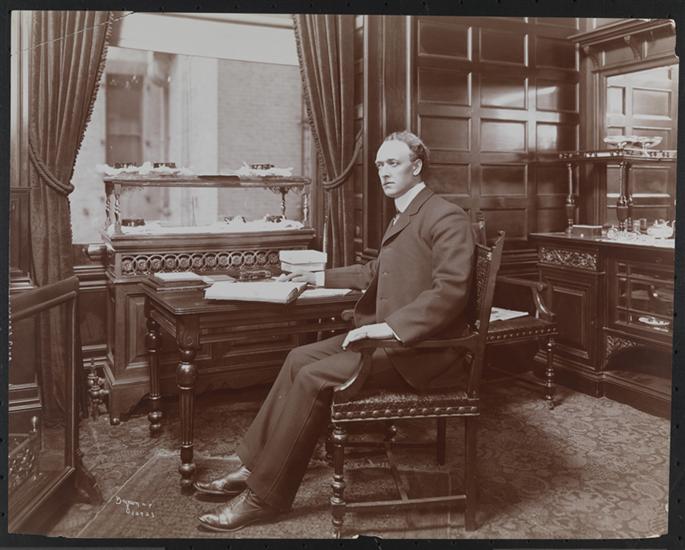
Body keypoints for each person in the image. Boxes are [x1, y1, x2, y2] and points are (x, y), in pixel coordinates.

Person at [196, 130, 475, 532]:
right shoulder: (405, 212)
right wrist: (315, 276)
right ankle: (254, 466)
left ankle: (265, 498)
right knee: (298, 357)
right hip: (392, 342)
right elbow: (375, 272)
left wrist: (386, 328)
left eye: (393, 163)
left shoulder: (445, 216)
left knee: (314, 377)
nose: (383, 172)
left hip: (425, 353)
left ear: (416, 167)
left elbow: (450, 292)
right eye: (379, 164)